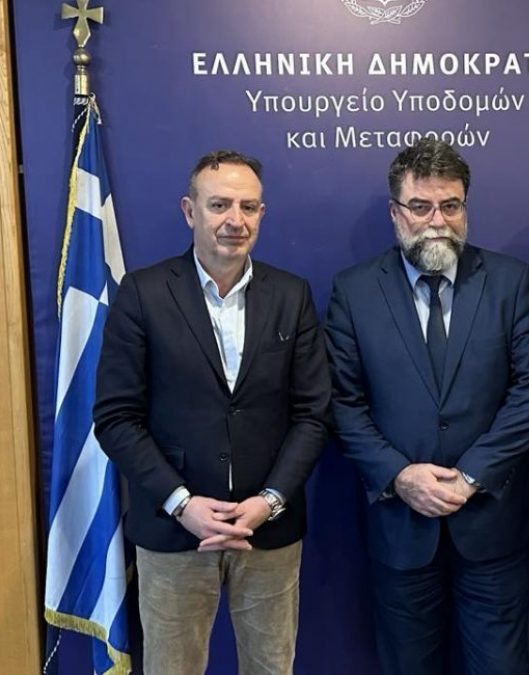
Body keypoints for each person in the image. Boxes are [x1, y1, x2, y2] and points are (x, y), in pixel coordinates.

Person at [93, 149, 330, 675]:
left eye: (248, 207)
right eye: (219, 205)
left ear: (262, 214)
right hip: (174, 531)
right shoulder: (144, 293)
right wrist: (182, 504)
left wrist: (270, 501)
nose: (235, 220)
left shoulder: (291, 295)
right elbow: (116, 417)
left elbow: (313, 413)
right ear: (189, 211)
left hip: (267, 531)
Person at [325, 138, 529, 675]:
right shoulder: (354, 292)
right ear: (395, 213)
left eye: (450, 206)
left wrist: (472, 475)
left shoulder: (510, 282)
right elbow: (342, 402)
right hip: (400, 528)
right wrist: (400, 476)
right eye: (420, 206)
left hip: (491, 526)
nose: (437, 221)